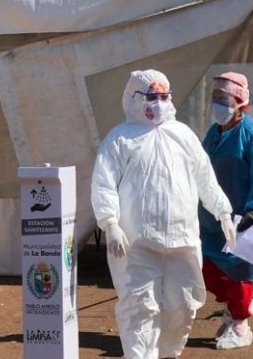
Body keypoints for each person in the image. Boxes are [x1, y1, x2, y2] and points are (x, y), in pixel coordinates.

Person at [91, 69, 237, 359]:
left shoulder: (183, 135)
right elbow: (103, 182)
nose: (157, 102)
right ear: (134, 98)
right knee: (139, 307)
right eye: (150, 96)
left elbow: (204, 178)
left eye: (162, 96)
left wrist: (223, 211)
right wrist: (110, 223)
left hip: (182, 240)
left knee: (181, 305)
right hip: (137, 243)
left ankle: (168, 353)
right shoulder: (120, 139)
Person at [199, 72, 253, 350]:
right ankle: (234, 310)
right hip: (214, 219)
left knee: (241, 273)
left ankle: (241, 324)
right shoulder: (214, 133)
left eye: (223, 98)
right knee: (206, 266)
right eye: (215, 97)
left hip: (247, 217)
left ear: (240, 100)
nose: (217, 103)